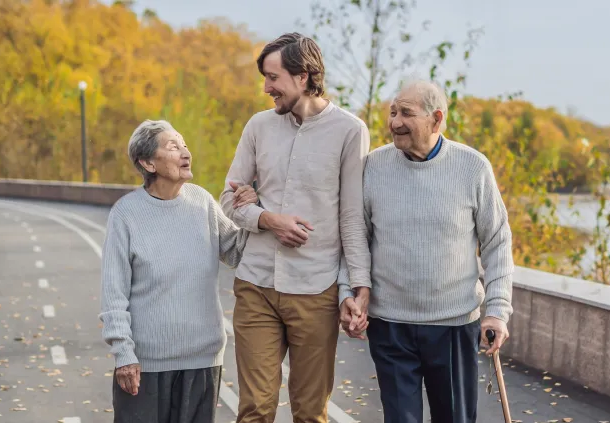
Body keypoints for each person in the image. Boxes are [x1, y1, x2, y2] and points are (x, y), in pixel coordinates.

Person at [219, 32, 372, 423]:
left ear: (303, 76)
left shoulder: (349, 132)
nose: (266, 88)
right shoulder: (258, 127)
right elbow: (227, 200)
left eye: (273, 78)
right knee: (254, 409)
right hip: (256, 285)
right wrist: (268, 219)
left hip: (316, 290)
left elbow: (352, 219)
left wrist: (360, 287)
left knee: (309, 413)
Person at [359, 79, 515, 422]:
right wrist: (352, 291)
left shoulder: (473, 167)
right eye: (393, 112)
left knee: (455, 417)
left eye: (406, 114)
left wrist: (497, 310)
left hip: (454, 324)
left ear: (436, 119)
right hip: (390, 325)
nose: (395, 122)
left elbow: (497, 242)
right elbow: (356, 238)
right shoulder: (372, 167)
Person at [99, 119, 248, 423]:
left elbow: (236, 251)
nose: (185, 152)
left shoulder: (202, 202)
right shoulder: (126, 214)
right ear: (148, 163)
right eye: (173, 146)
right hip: (145, 365)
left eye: (184, 145)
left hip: (203, 359)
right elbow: (114, 294)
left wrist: (248, 212)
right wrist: (124, 355)